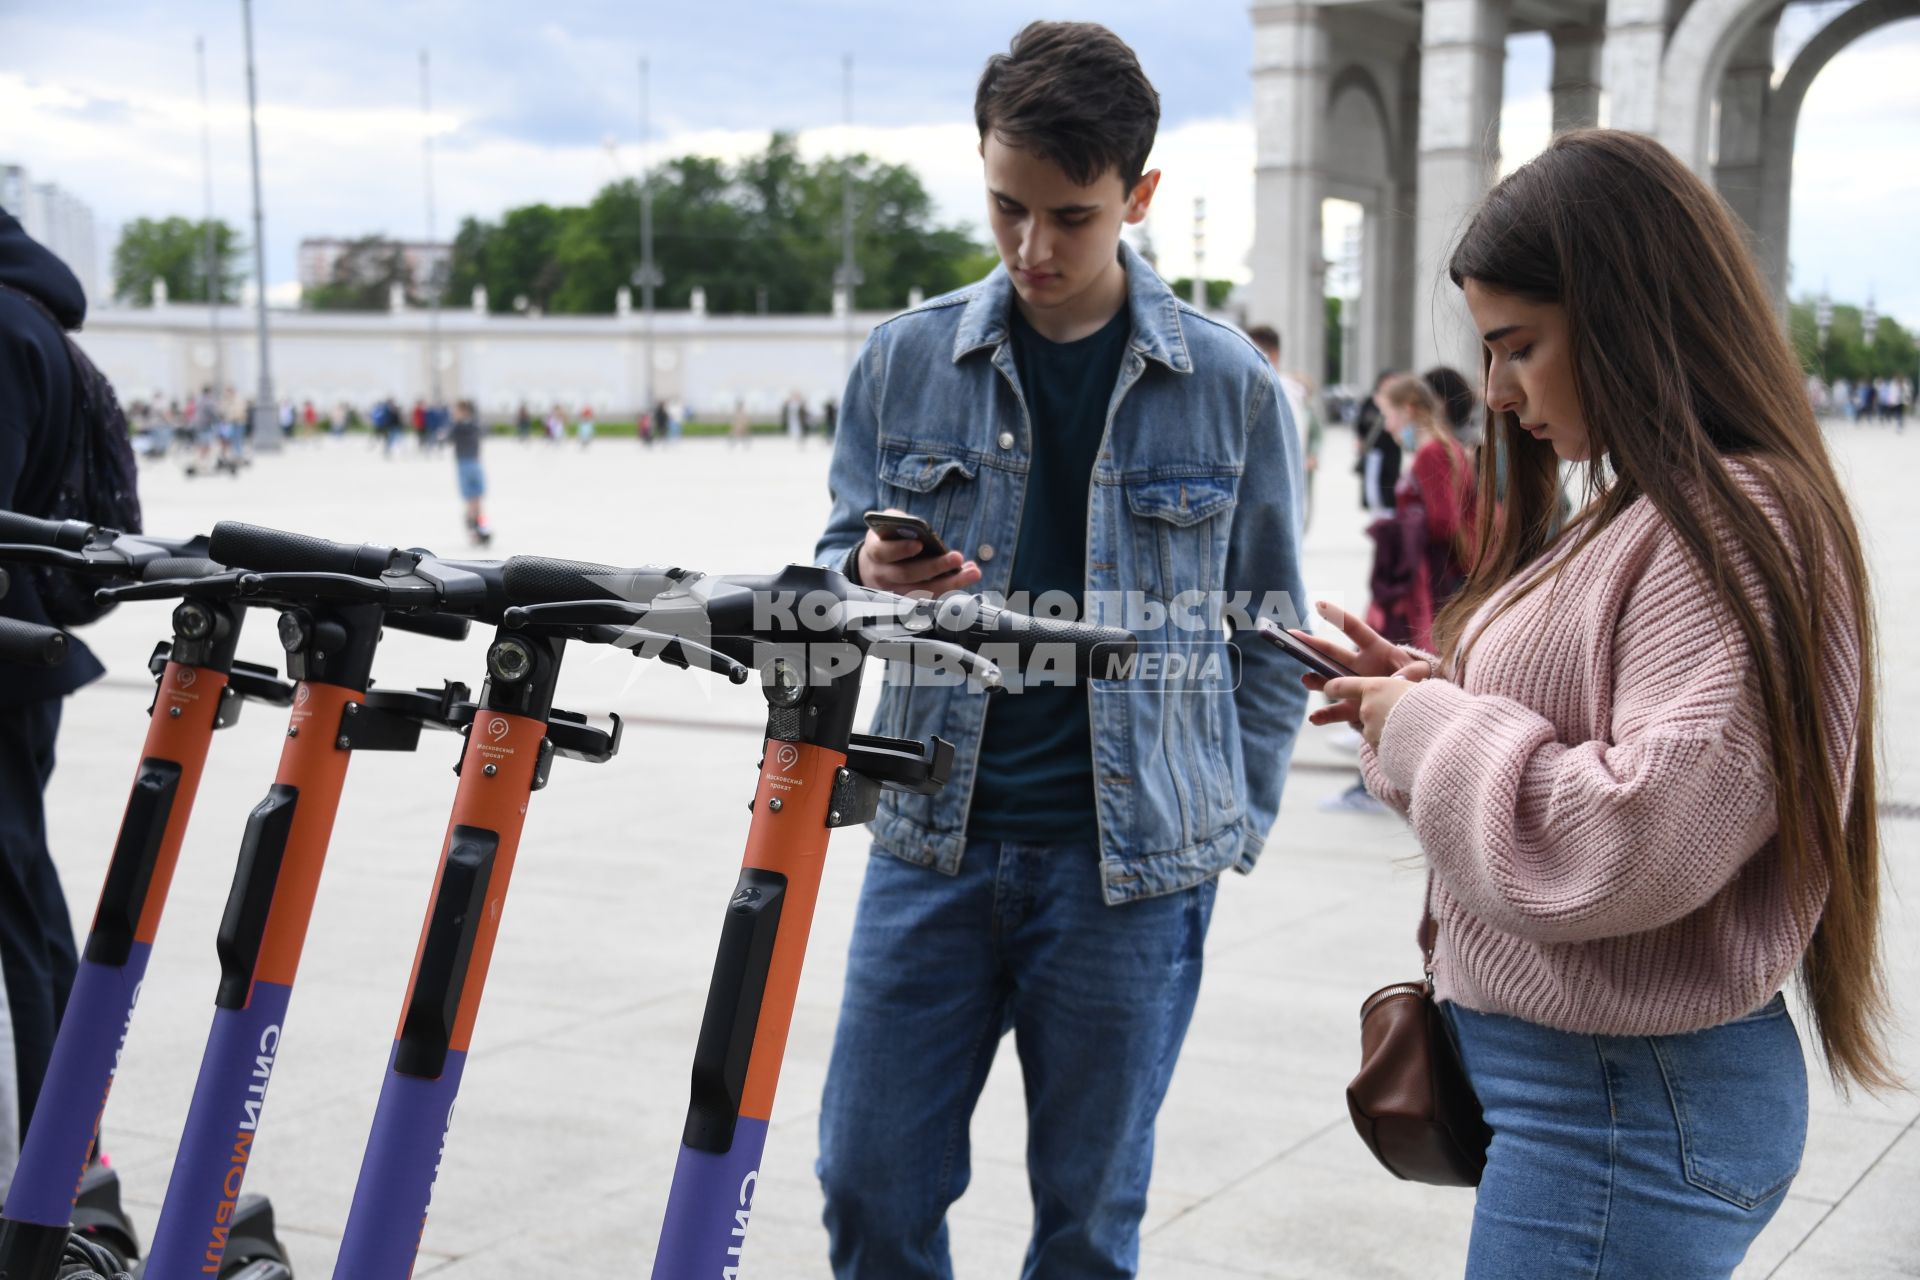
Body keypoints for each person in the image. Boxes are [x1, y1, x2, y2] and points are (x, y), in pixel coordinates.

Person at [1299, 129, 1892, 1278]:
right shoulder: (1655, 507)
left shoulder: (1733, 519)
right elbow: (1603, 741)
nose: (1504, 396)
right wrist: (1422, 696)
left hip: (1620, 1103)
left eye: (1519, 347)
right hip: (1603, 1094)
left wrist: (1429, 727)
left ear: (1629, 314)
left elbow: (1632, 837)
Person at [810, 22, 1306, 1278]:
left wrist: (1230, 824)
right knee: (865, 1184)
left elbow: (1269, 629)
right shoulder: (904, 359)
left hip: (1128, 878)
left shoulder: (1232, 387)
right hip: (932, 841)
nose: (1033, 247)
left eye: (1071, 217)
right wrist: (864, 576)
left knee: (1088, 1225)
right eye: (1006, 206)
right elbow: (822, 567)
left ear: (1138, 197)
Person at [0, 205, 117, 1171]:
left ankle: (46, 1168)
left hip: (5, 659)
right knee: (25, 902)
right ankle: (65, 1149)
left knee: (15, 922)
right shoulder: (29, 309)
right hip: (17, 653)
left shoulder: (3, 324)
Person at [1248, 324, 1323, 529]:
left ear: (1274, 354)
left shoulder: (1285, 393)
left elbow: (1306, 435)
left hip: (1278, 492)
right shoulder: (1266, 389)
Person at [448, 399, 492, 545]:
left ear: (463, 411)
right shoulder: (473, 424)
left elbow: (447, 437)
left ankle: (477, 530)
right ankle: (480, 529)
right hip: (472, 464)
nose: (453, 414)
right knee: (475, 501)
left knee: (473, 501)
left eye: (456, 411)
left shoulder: (459, 426)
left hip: (468, 464)